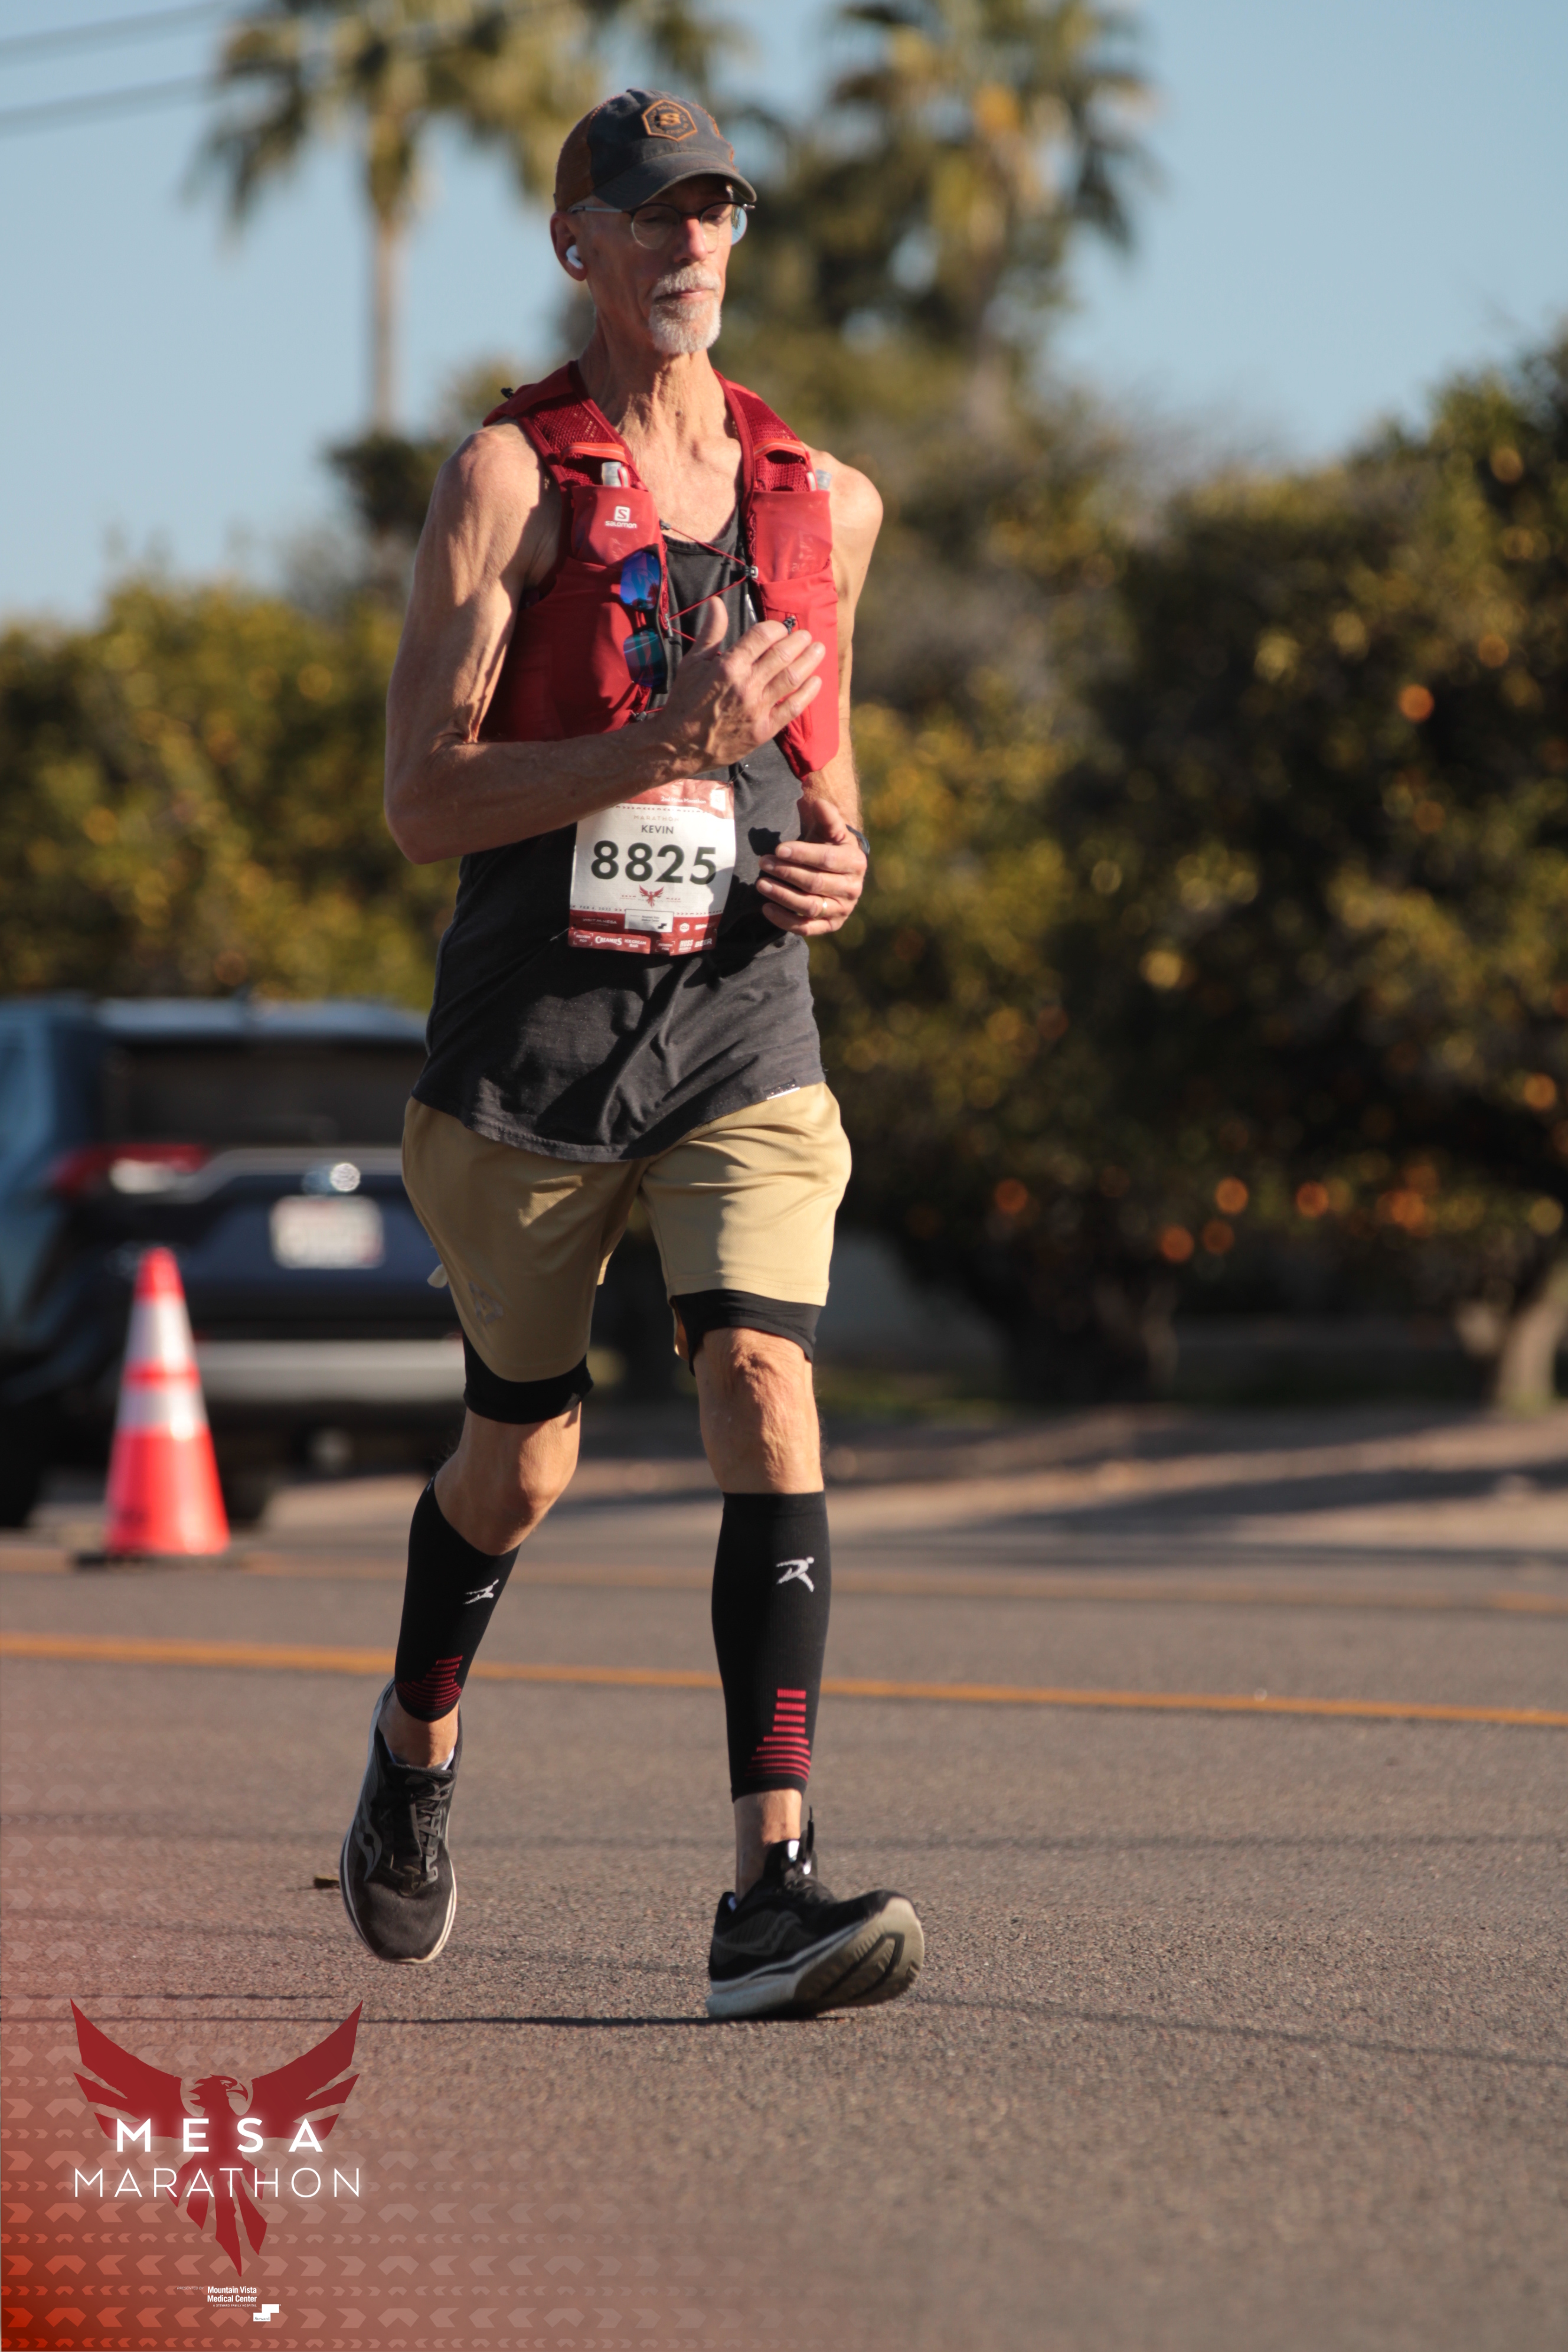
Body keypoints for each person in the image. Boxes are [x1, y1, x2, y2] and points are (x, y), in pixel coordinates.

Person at [339, 87, 923, 2020]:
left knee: (764, 1376)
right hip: (535, 1045)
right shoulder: (504, 481)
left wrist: (842, 861)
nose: (691, 241)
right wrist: (660, 746)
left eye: (717, 208)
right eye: (654, 211)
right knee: (522, 1463)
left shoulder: (824, 503)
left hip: (741, 1021)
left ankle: (772, 1886)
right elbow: (424, 801)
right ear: (576, 242)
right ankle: (414, 1745)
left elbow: (830, 782)